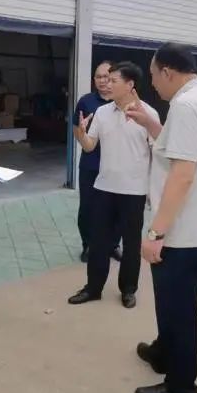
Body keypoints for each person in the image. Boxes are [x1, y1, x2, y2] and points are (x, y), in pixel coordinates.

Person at [127, 43, 197, 393]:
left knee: (179, 310)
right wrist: (150, 124)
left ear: (168, 72)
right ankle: (163, 352)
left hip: (183, 234)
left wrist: (155, 232)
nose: (152, 84)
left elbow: (183, 174)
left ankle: (181, 386)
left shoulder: (186, 105)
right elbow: (183, 149)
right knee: (172, 302)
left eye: (153, 76)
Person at [67, 62, 159, 309]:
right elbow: (89, 146)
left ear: (130, 85)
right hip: (104, 187)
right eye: (105, 79)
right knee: (98, 242)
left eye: (113, 80)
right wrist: (80, 132)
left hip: (134, 191)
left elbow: (157, 153)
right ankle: (93, 288)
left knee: (131, 244)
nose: (107, 84)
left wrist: (152, 190)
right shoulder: (102, 112)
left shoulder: (148, 114)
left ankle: (128, 289)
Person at [72, 61, 122, 263]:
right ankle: (88, 245)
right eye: (98, 77)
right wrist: (82, 134)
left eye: (106, 77)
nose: (102, 81)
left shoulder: (122, 101)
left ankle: (113, 245)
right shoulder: (86, 102)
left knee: (116, 207)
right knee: (88, 207)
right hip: (91, 164)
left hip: (117, 165)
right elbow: (77, 129)